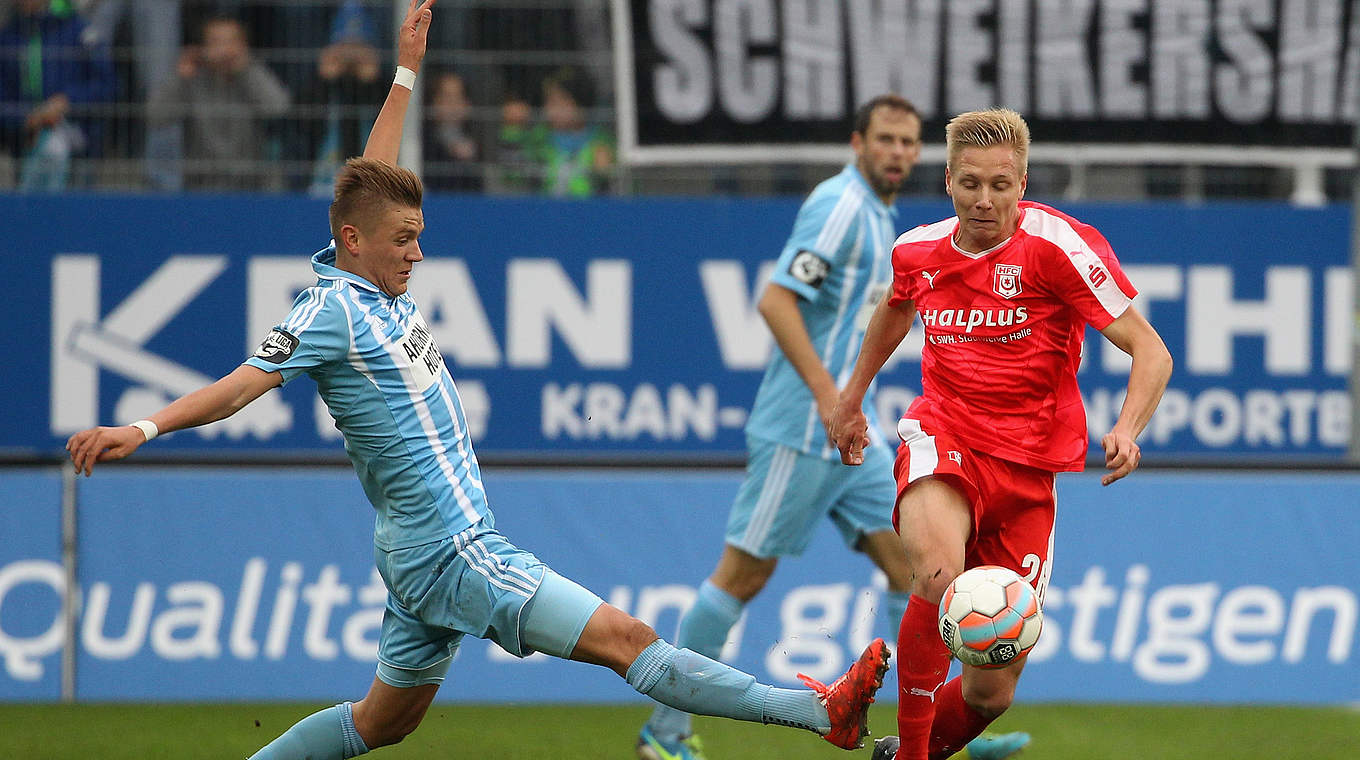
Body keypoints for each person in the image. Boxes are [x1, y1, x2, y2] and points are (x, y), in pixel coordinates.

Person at [65, 3, 890, 758]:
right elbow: (242, 384)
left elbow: (369, 177)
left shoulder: (362, 264)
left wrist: (405, 72)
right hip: (456, 552)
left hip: (420, 555)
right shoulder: (331, 315)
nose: (417, 253)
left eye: (418, 237)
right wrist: (141, 429)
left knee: (379, 722)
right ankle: (822, 716)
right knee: (629, 641)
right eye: (405, 242)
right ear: (355, 241)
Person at [636, 95, 1030, 760]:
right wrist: (829, 398)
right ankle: (664, 734)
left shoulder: (880, 216)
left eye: (909, 141)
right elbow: (776, 299)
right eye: (886, 139)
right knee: (740, 577)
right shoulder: (843, 206)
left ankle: (930, 739)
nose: (899, 152)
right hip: (803, 427)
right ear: (858, 143)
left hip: (851, 432)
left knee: (922, 572)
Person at [829, 108, 1174, 760]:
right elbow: (897, 306)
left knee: (992, 692)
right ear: (949, 181)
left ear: (1022, 183)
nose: (984, 201)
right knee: (935, 577)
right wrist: (852, 400)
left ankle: (914, 752)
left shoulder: (1059, 248)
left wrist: (1128, 429)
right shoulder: (919, 250)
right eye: (969, 184)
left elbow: (1151, 351)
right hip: (946, 433)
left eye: (999, 185)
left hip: (1030, 467)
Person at [145, 14, 289, 190]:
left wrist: (247, 69)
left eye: (231, 42)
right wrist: (180, 77)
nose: (224, 50)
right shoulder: (192, 80)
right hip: (200, 185)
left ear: (244, 46)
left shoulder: (253, 74)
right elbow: (154, 117)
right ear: (203, 47)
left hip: (250, 185)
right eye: (216, 42)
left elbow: (279, 108)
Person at [0, 0, 115, 191]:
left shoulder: (79, 30)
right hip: (25, 138)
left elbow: (106, 85)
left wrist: (66, 101)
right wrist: (27, 118)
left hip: (78, 134)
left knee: (55, 149)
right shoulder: (8, 37)